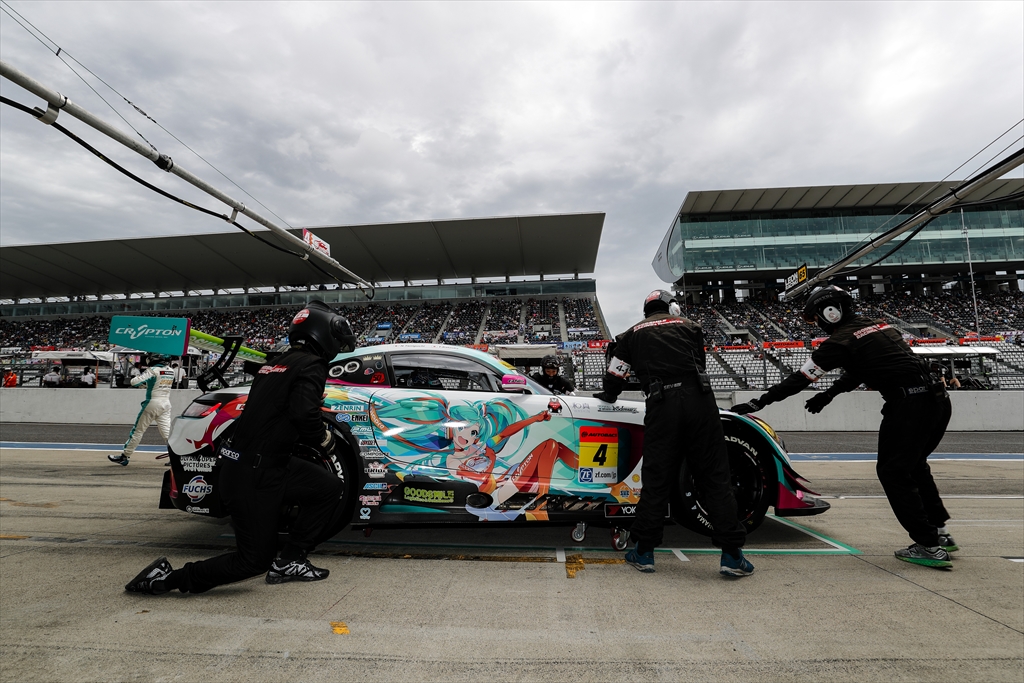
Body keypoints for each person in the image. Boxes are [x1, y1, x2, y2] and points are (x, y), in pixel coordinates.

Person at [124, 300, 357, 595]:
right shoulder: (313, 364)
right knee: (253, 561)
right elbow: (303, 413)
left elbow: (281, 408)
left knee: (327, 487)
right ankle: (166, 579)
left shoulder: (276, 364)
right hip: (255, 474)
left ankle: (291, 560)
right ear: (324, 334)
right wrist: (324, 439)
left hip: (259, 465)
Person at [731, 286, 956, 569]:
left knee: (893, 472)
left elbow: (800, 379)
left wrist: (758, 402)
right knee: (915, 466)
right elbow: (861, 370)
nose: (818, 324)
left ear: (831, 312)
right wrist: (828, 394)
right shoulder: (877, 326)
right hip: (938, 401)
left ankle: (928, 545)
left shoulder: (840, 341)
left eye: (817, 318)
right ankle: (941, 533)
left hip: (909, 405)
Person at [594, 289, 752, 577]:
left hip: (661, 403)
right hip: (699, 401)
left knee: (656, 479)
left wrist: (609, 395)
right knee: (715, 477)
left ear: (646, 311)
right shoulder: (691, 326)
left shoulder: (630, 334)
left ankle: (644, 552)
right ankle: (732, 555)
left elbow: (615, 375)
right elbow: (699, 364)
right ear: (672, 307)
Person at [107, 355, 176, 466]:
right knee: (167, 433)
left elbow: (134, 382)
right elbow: (158, 384)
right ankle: (176, 458)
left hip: (152, 403)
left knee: (137, 431)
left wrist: (140, 377)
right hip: (166, 404)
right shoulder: (171, 371)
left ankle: (125, 456)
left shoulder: (153, 370)